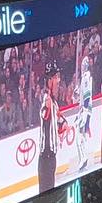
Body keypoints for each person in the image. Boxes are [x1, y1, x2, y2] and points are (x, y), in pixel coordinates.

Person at [38, 60, 61, 194]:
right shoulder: (46, 98)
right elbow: (45, 114)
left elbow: (56, 122)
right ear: (50, 80)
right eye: (56, 77)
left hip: (51, 157)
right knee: (45, 197)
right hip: (46, 159)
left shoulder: (54, 101)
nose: (59, 81)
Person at [76, 54, 94, 172]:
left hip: (85, 110)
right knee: (80, 135)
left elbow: (87, 95)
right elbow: (82, 95)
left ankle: (83, 158)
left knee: (79, 135)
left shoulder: (86, 77)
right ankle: (83, 158)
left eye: (83, 65)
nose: (82, 66)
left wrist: (85, 111)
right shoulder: (84, 77)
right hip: (84, 109)